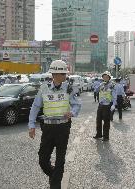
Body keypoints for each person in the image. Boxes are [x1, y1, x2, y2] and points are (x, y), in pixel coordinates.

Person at [28, 60, 81, 189]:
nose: (65, 76)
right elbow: (35, 106)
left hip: (63, 127)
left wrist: (72, 113)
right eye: (63, 74)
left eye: (65, 74)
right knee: (43, 159)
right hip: (48, 128)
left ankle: (55, 184)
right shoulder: (44, 88)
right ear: (55, 74)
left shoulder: (68, 88)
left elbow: (77, 104)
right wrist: (31, 125)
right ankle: (54, 175)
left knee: (60, 159)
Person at [93, 71, 114, 141]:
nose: (105, 78)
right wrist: (97, 85)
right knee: (98, 120)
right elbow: (96, 90)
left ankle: (106, 136)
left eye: (106, 77)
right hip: (101, 104)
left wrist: (114, 104)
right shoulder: (101, 84)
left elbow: (114, 95)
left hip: (107, 105)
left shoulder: (112, 85)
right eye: (104, 77)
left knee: (106, 121)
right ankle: (99, 134)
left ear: (109, 77)